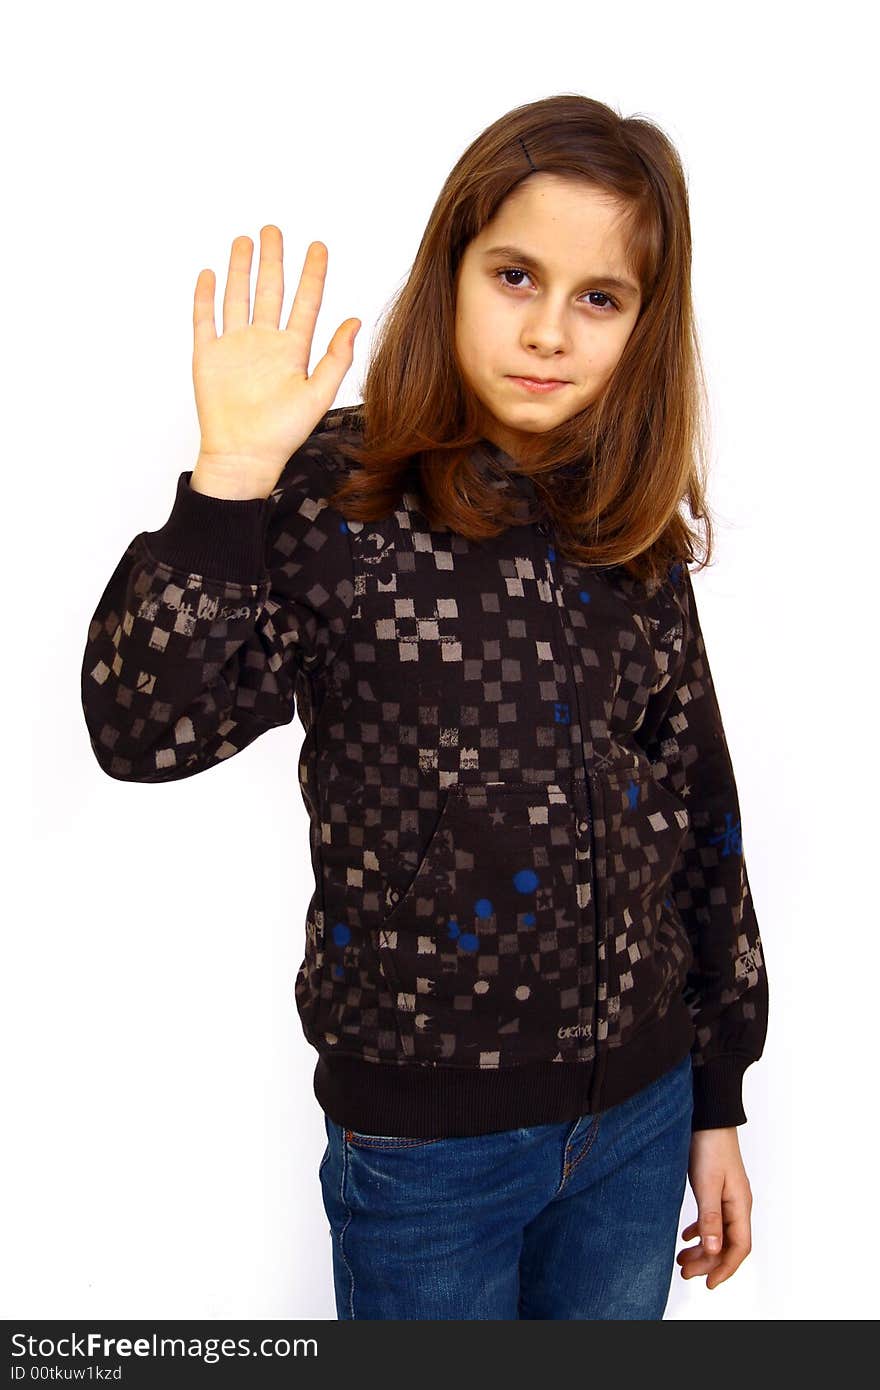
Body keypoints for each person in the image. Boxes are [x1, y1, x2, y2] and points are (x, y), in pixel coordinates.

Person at [80, 93, 769, 1320]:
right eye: (516, 275)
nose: (549, 330)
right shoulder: (335, 502)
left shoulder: (632, 534)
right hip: (430, 1149)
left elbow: (696, 813)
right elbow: (141, 731)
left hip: (639, 1123)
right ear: (451, 266)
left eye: (598, 298)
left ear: (642, 328)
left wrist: (715, 1097)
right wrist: (230, 481)